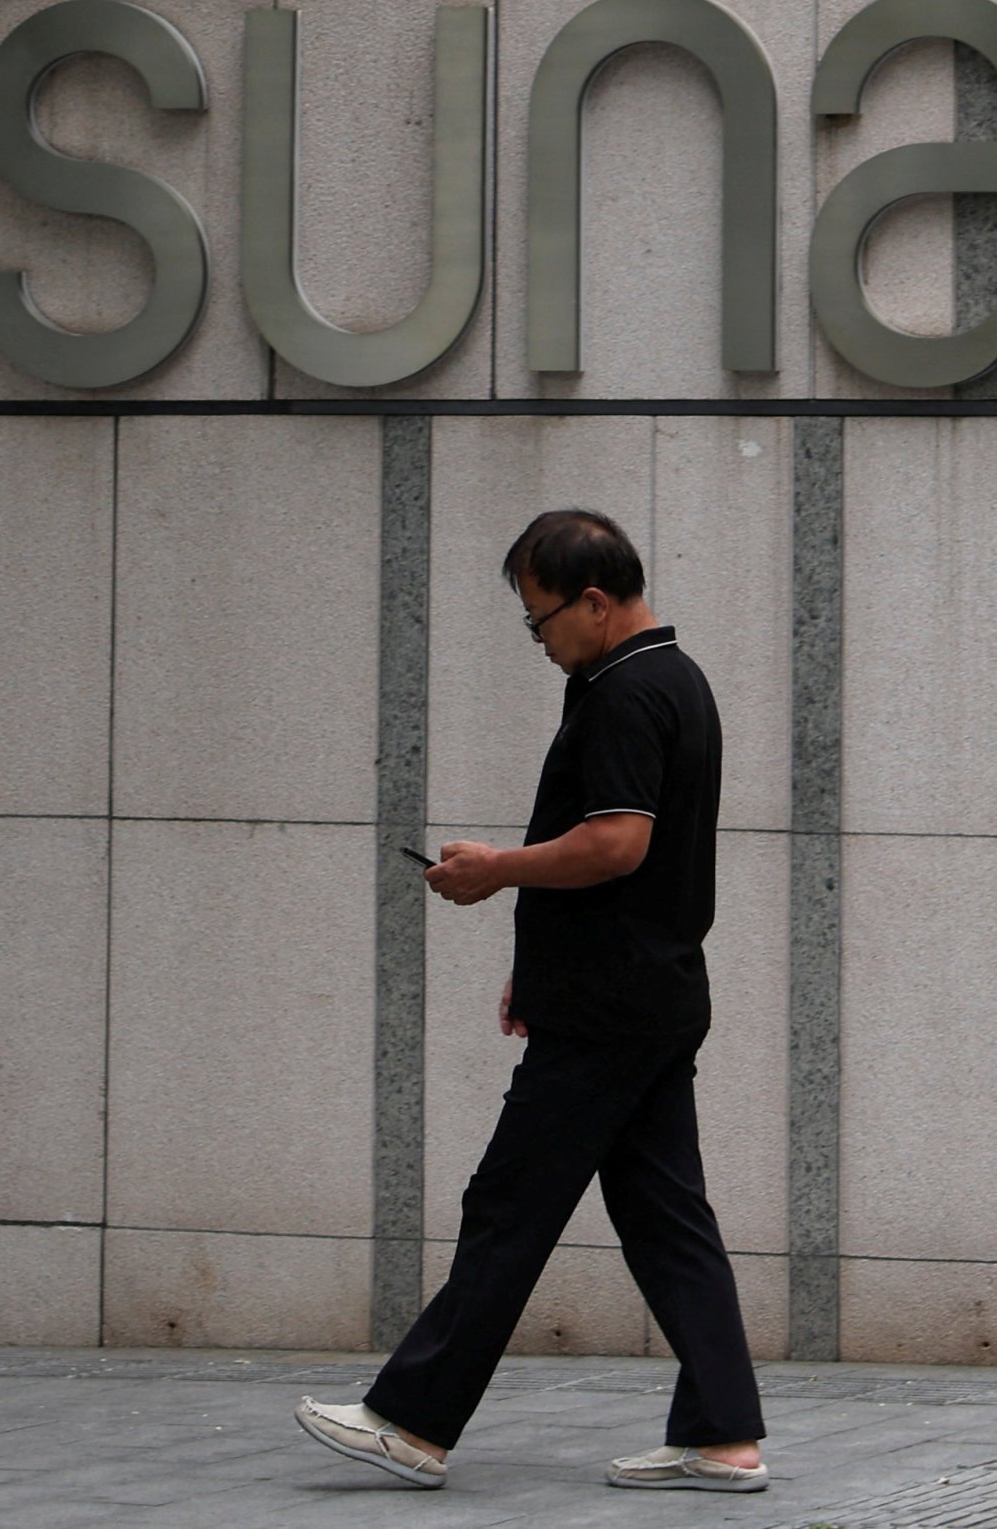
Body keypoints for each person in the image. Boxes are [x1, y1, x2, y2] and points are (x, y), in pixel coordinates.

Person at [297, 508, 770, 1495]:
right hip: (647, 993)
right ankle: (723, 1435)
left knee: (509, 1204)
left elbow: (616, 845)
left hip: (609, 1011)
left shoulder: (624, 694)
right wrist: (537, 965)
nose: (541, 641)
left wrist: (494, 871)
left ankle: (412, 1422)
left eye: (541, 620)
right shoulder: (671, 679)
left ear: (595, 603)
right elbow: (626, 872)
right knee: (664, 1213)